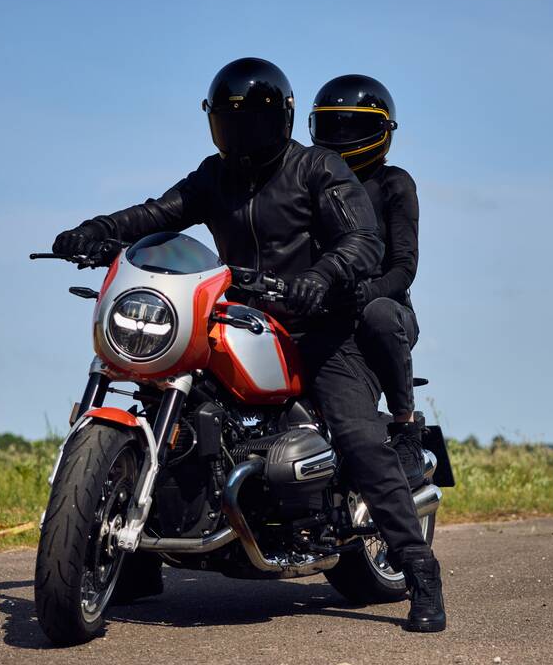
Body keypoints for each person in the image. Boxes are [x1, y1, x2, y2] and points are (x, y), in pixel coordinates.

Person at [53, 57, 445, 632]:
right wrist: (97, 231)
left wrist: (322, 277)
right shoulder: (215, 176)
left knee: (360, 438)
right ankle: (134, 560)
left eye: (254, 118)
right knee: (174, 404)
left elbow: (363, 241)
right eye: (230, 118)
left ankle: (420, 570)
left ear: (281, 118)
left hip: (322, 329)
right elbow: (159, 213)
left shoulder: (318, 168)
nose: (242, 131)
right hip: (241, 319)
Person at [309, 75, 425, 490]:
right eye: (333, 126)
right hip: (327, 307)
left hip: (387, 310)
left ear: (382, 131)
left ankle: (406, 428)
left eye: (353, 127)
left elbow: (404, 268)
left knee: (379, 315)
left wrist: (367, 293)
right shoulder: (313, 181)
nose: (342, 137)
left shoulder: (394, 183)